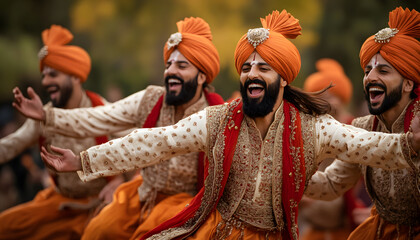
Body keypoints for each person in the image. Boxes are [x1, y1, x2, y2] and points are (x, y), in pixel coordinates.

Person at [40, 10, 420, 240]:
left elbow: (374, 148)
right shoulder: (219, 120)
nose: (252, 73)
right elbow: (154, 141)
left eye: (264, 67)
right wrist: (85, 161)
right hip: (214, 230)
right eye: (246, 67)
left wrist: (412, 144)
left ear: (283, 79)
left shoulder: (314, 128)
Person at [13, 17, 224, 239]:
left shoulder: (213, 115)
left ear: (202, 75)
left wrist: (83, 162)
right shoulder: (150, 99)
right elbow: (99, 117)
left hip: (186, 201)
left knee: (151, 234)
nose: (171, 72)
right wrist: (48, 115)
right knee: (99, 230)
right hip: (142, 193)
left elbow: (150, 144)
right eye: (168, 65)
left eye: (182, 66)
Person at [0, 25, 126, 240]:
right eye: (44, 75)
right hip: (60, 204)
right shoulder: (42, 116)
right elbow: (9, 146)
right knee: (6, 226)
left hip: (103, 204)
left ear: (76, 77)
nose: (46, 82)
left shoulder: (103, 110)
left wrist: (119, 182)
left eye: (53, 75)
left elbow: (136, 152)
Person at [304, 7, 420, 239]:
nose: (371, 77)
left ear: (408, 84)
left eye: (383, 70)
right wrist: (287, 171)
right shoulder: (363, 127)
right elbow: (330, 184)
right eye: (368, 70)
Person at [299, 58, 366, 240]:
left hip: (345, 221)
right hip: (314, 223)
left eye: (332, 96)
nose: (328, 102)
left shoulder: (355, 128)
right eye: (321, 97)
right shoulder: (306, 131)